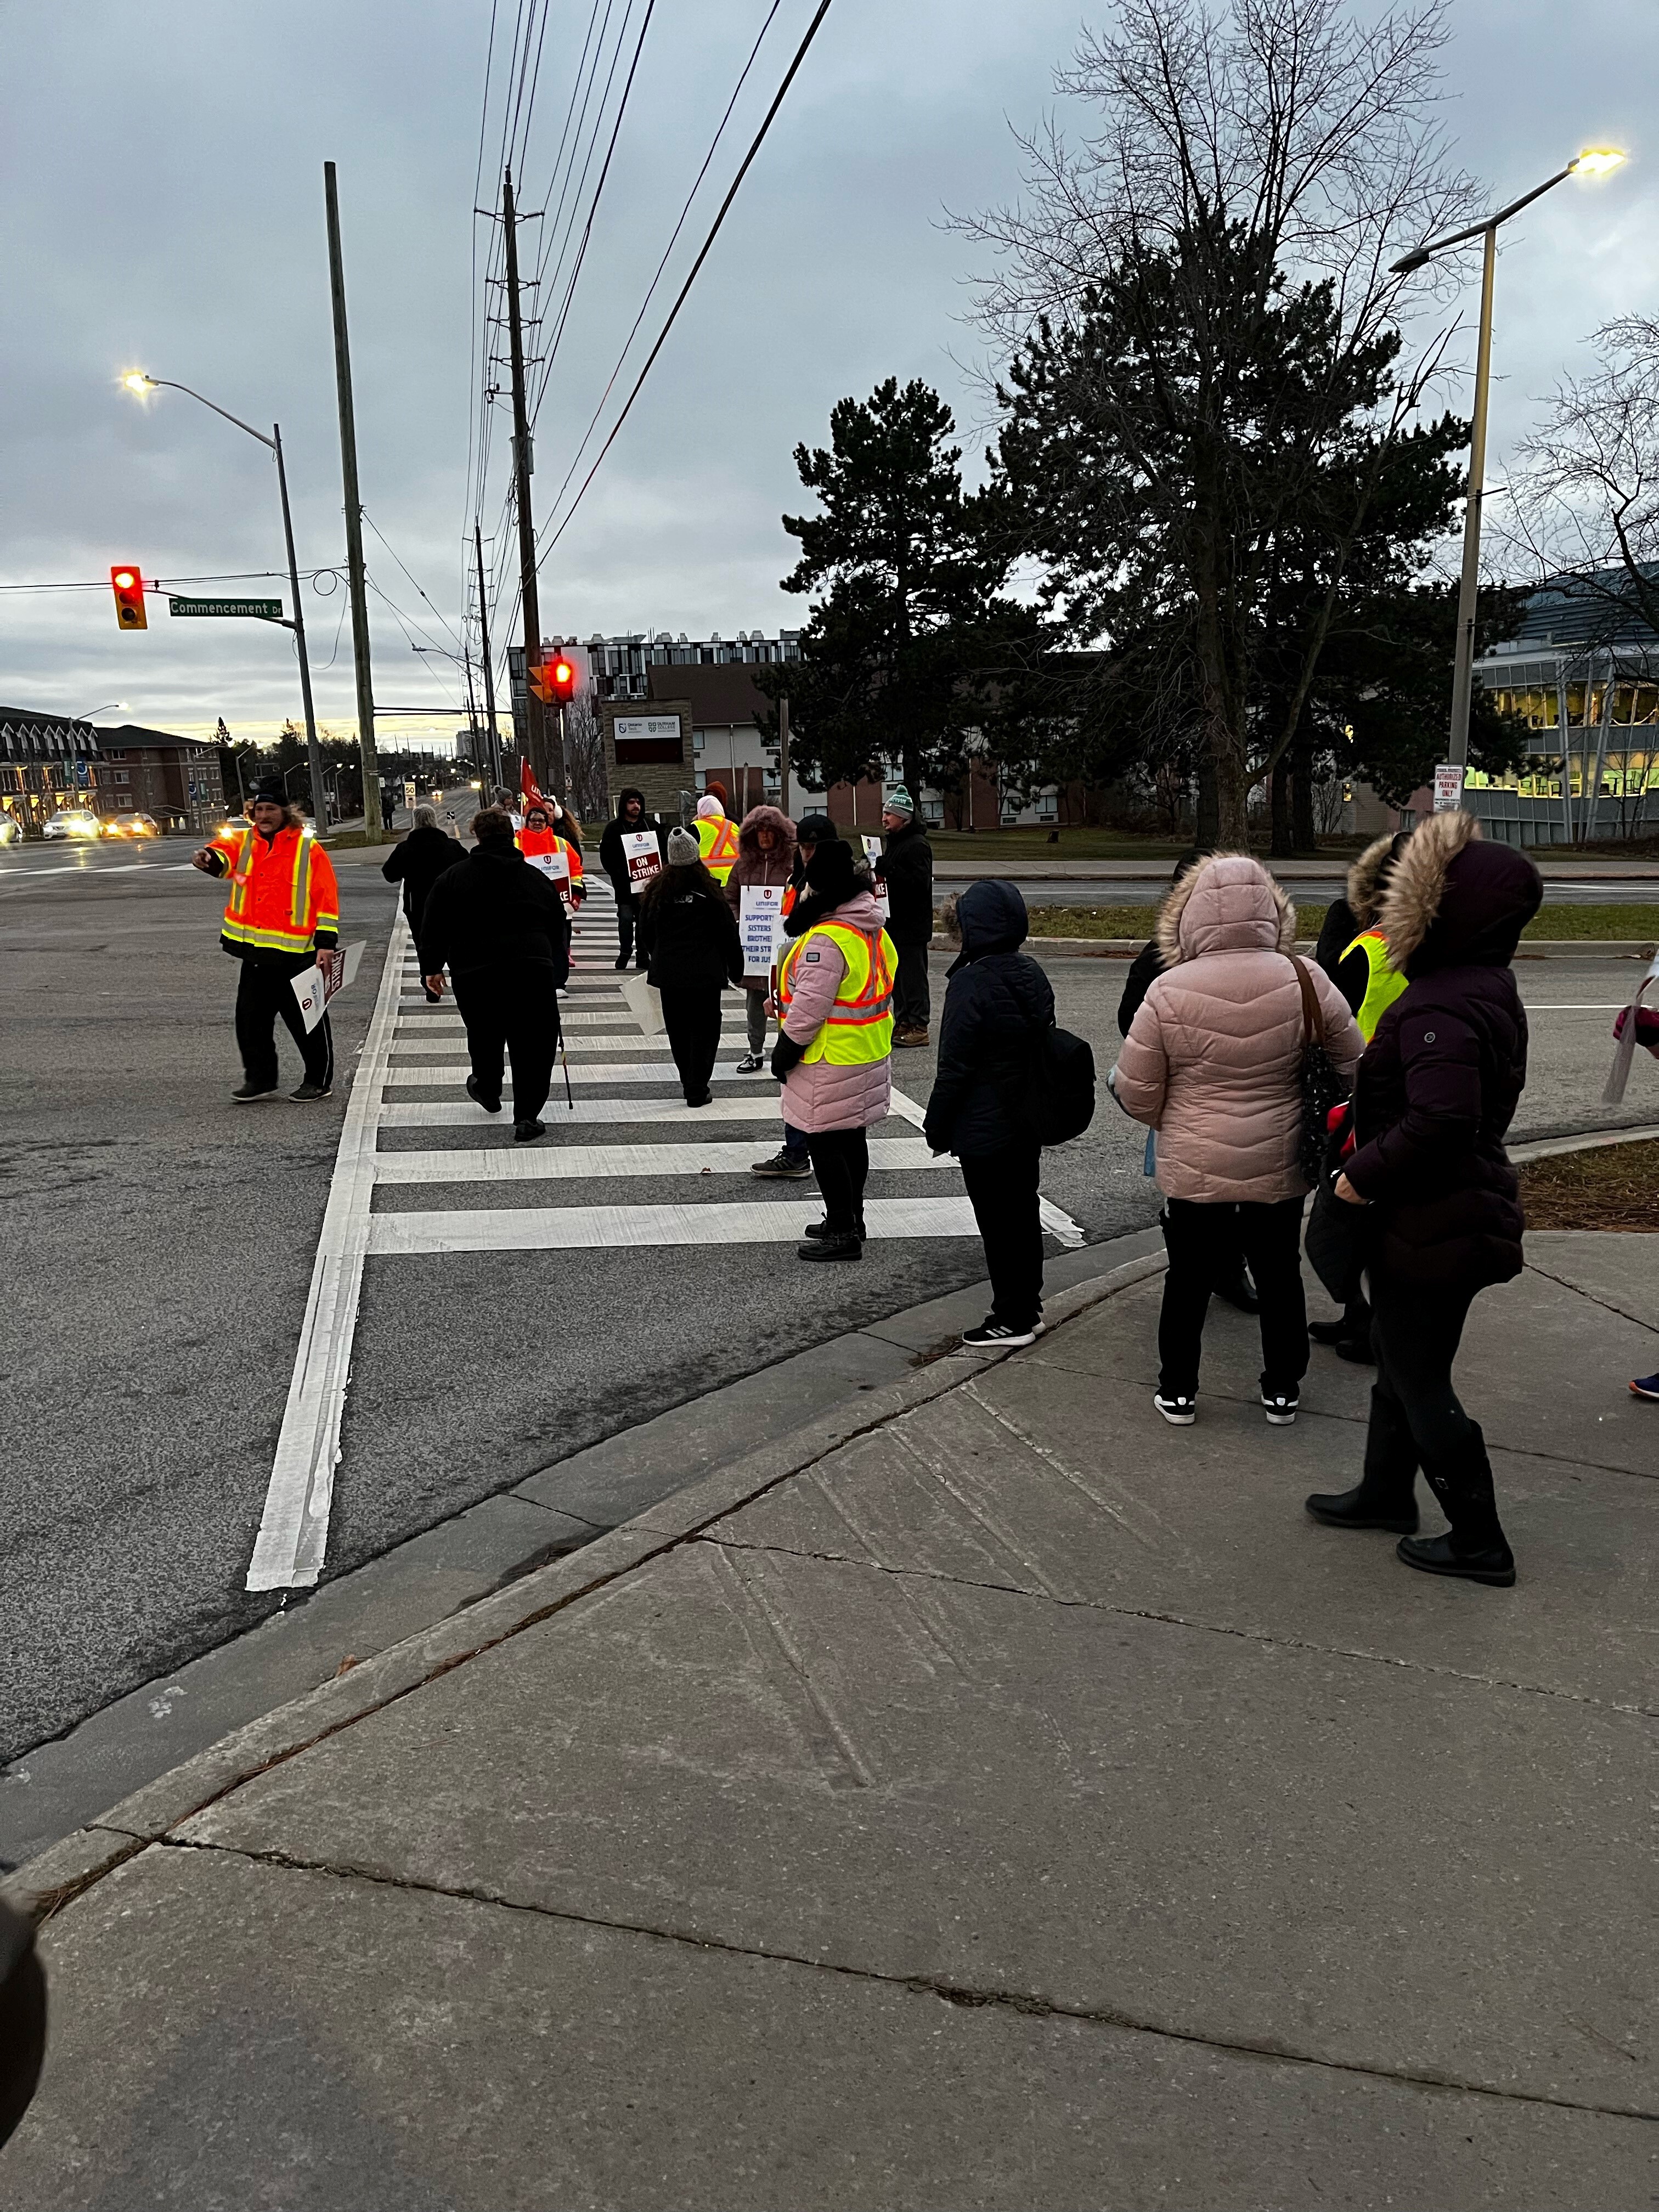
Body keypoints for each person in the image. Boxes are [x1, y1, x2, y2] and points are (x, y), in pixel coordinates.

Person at [1310, 815, 1542, 1586]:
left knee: (1418, 1378)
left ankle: (1479, 1539)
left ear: (1440, 910)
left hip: (1431, 1217)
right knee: (1399, 1360)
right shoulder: (1480, 982)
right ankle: (1384, 1492)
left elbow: (1441, 1120)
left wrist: (1355, 1179)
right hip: (1446, 1209)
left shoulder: (1442, 1002)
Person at [1114, 853, 1362, 1427]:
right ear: (1272, 912)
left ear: (1192, 916)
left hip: (1195, 1159)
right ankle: (1282, 1389)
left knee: (1189, 1279)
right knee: (1279, 1272)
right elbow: (1354, 1066)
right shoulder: (1305, 978)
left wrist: (1177, 1118)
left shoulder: (1169, 989)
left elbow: (1138, 1091)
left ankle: (1178, 1390)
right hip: (1281, 1157)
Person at [1118, 851, 1257, 1316]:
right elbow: (1130, 1022)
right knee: (1190, 1189)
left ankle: (1225, 1269)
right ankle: (1201, 1269)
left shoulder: (1254, 951)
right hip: (1189, 1092)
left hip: (1230, 1090)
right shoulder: (1161, 955)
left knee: (1233, 1186)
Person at [924, 881, 1052, 1346]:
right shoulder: (1031, 971)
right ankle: (1028, 1304)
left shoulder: (971, 981)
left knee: (998, 1223)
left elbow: (954, 1065)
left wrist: (936, 1125)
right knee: (1022, 1211)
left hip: (983, 1121)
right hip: (1026, 1115)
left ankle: (1011, 1316)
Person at [1308, 830, 1414, 1360]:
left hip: (1366, 1099)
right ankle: (1360, 1317)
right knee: (1384, 1221)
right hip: (1410, 1096)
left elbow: (1332, 1018)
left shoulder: (1369, 949)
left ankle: (1367, 1323)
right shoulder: (1442, 946)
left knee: (1351, 1217)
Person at [772, 836, 897, 1261]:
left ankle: (842, 1231)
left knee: (824, 1143)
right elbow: (858, 989)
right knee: (851, 1141)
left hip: (829, 1057)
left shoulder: (828, 938)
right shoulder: (873, 928)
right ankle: (851, 1218)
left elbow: (811, 1008)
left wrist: (785, 1050)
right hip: (867, 1051)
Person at [419, 807, 571, 1142]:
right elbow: (557, 923)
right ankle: (528, 1116)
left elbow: (432, 925)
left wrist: (432, 967)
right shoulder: (535, 879)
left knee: (484, 1032)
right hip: (531, 969)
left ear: (478, 835)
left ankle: (487, 1085)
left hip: (476, 971)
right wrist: (555, 965)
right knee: (532, 1041)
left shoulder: (454, 878)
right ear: (510, 834)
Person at [191, 778, 341, 1103]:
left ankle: (318, 1080)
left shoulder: (307, 848)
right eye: (258, 809)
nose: (263, 815)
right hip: (256, 953)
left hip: (297, 955)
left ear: (285, 813)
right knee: (250, 1022)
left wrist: (326, 944)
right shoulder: (245, 842)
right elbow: (221, 858)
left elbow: (326, 898)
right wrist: (206, 858)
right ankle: (260, 1080)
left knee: (308, 1022)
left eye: (270, 809)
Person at [750, 812, 837, 1178]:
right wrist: (777, 992)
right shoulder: (795, 881)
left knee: (806, 1081)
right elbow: (786, 944)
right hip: (796, 993)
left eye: (815, 846)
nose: (808, 853)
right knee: (800, 1085)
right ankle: (802, 1149)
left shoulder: (835, 889)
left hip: (822, 1002)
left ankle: (803, 1151)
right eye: (803, 846)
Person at [637, 827, 744, 1106]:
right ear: (696, 857)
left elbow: (645, 932)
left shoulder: (656, 895)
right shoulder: (710, 894)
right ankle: (698, 1084)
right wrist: (736, 969)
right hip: (706, 976)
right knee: (706, 1030)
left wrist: (658, 955)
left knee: (679, 1030)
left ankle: (689, 1081)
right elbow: (728, 933)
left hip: (670, 976)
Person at [724, 804, 797, 1073]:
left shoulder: (791, 863)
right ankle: (755, 1051)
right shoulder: (743, 864)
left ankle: (786, 1051)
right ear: (751, 835)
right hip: (754, 946)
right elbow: (730, 898)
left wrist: (792, 920)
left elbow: (801, 897)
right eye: (759, 831)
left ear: (780, 834)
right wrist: (739, 920)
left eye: (770, 831)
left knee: (786, 999)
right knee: (755, 1002)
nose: (765, 837)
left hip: (783, 943)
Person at [381, 803, 467, 1002]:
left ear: (415, 822)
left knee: (423, 944)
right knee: (454, 943)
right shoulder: (452, 847)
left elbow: (390, 874)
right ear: (434, 820)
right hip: (450, 905)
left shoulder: (406, 849)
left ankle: (430, 983)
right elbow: (466, 868)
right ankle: (460, 980)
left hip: (418, 905)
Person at [873, 786, 934, 1047]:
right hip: (894, 924)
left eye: (889, 814)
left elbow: (919, 886)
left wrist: (891, 870)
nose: (884, 818)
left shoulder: (917, 845)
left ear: (904, 818)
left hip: (912, 926)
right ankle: (904, 1022)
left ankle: (919, 1025)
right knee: (897, 978)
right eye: (885, 813)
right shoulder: (896, 843)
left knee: (912, 977)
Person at [598, 787, 665, 970]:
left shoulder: (652, 827)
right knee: (626, 919)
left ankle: (643, 956)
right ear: (624, 805)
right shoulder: (614, 829)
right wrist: (619, 875)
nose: (636, 806)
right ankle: (625, 952)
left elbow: (663, 854)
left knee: (645, 920)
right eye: (631, 802)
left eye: (638, 802)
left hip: (648, 886)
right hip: (625, 885)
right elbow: (606, 857)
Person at [517, 802, 585, 906]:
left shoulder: (561, 843)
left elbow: (575, 869)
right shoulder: (516, 843)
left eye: (541, 820)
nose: (537, 823)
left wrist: (576, 893)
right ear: (527, 822)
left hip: (559, 902)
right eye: (533, 820)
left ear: (546, 823)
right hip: (528, 903)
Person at [692, 791, 741, 884]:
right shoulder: (733, 825)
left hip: (709, 883)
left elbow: (683, 852)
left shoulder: (697, 826)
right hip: (734, 881)